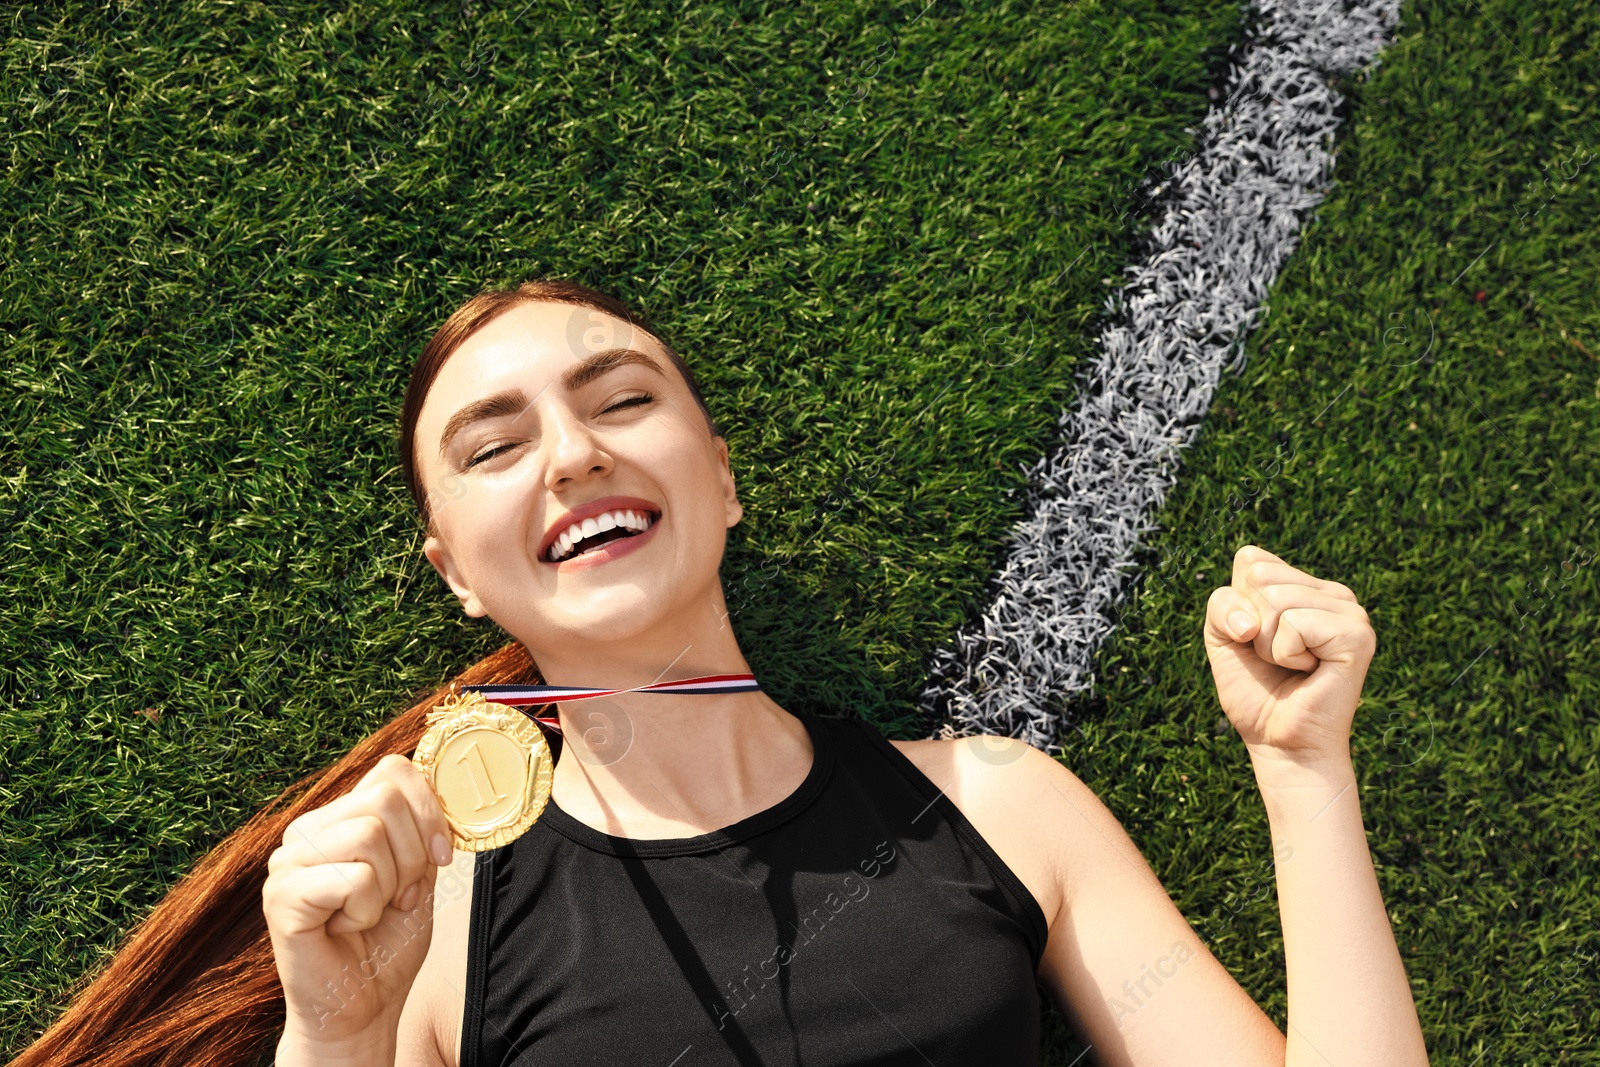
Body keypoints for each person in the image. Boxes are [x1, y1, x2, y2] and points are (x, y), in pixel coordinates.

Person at [8, 279, 1429, 1067]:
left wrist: (1305, 774)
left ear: (723, 481)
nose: (574, 453)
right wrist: (335, 1027)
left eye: (624, 399)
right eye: (496, 446)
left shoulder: (1006, 812)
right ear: (454, 568)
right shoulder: (433, 932)